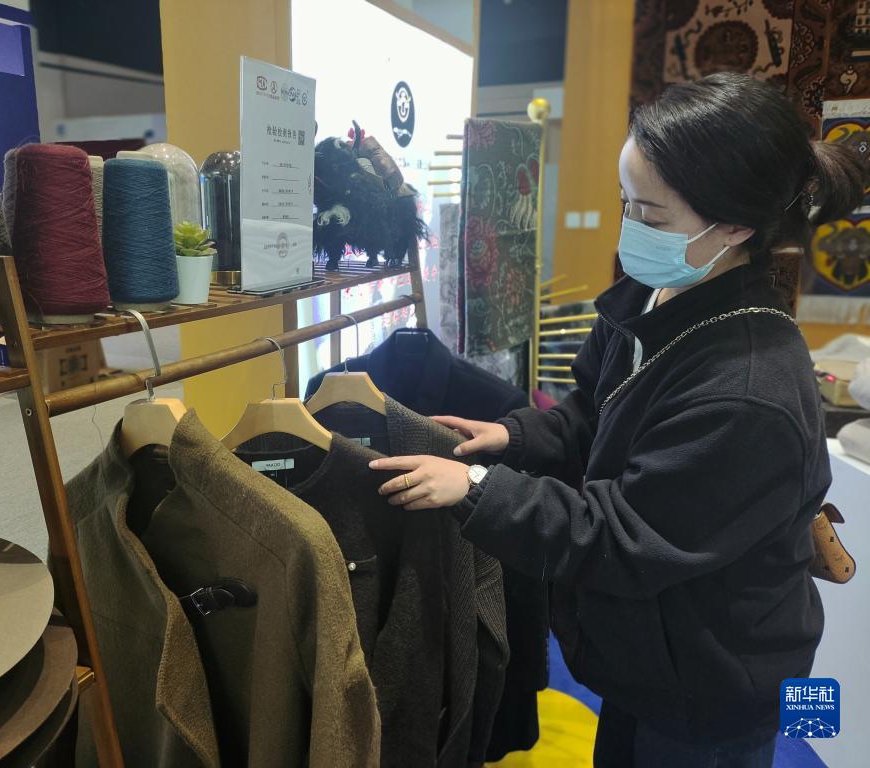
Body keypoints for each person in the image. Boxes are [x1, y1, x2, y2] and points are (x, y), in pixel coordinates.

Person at [371, 73, 868, 767]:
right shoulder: (654, 294)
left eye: (652, 216)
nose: (629, 228)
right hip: (645, 655)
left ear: (735, 227)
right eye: (625, 202)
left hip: (708, 682)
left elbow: (624, 538)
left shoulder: (747, 393)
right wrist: (513, 436)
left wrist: (480, 489)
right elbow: (591, 410)